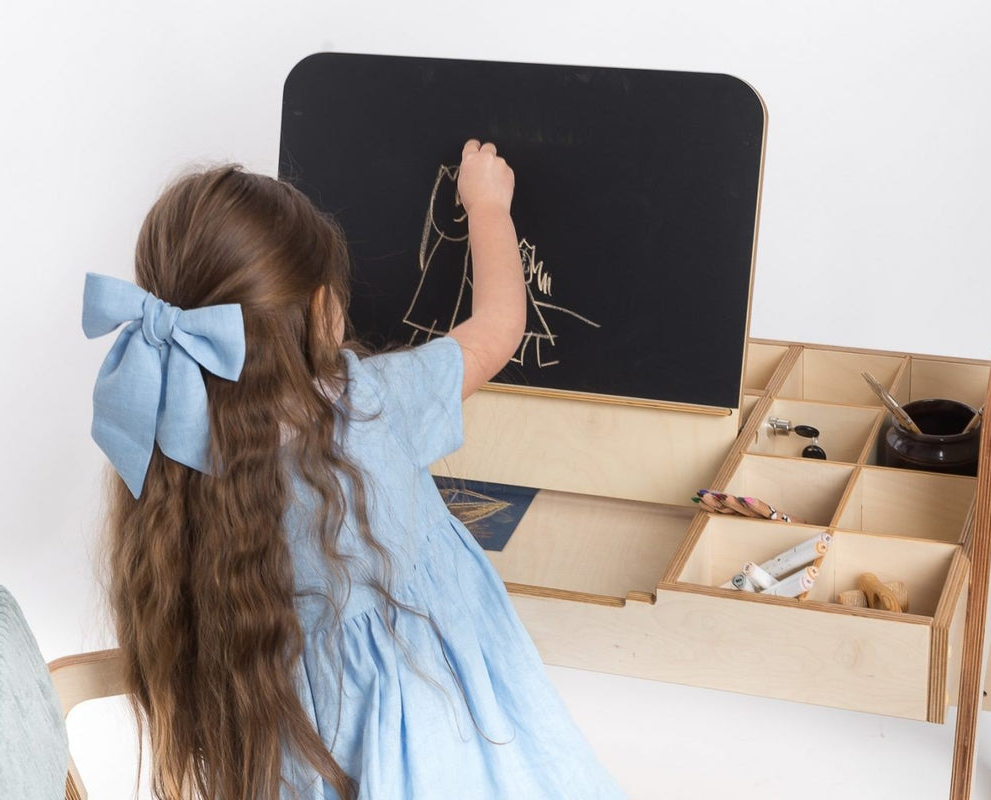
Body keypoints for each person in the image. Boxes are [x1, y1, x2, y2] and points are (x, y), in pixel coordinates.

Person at [81, 139, 628, 799]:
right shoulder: (372, 405)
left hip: (294, 753)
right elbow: (499, 326)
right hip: (439, 743)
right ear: (321, 309)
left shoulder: (168, 442)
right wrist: (487, 205)